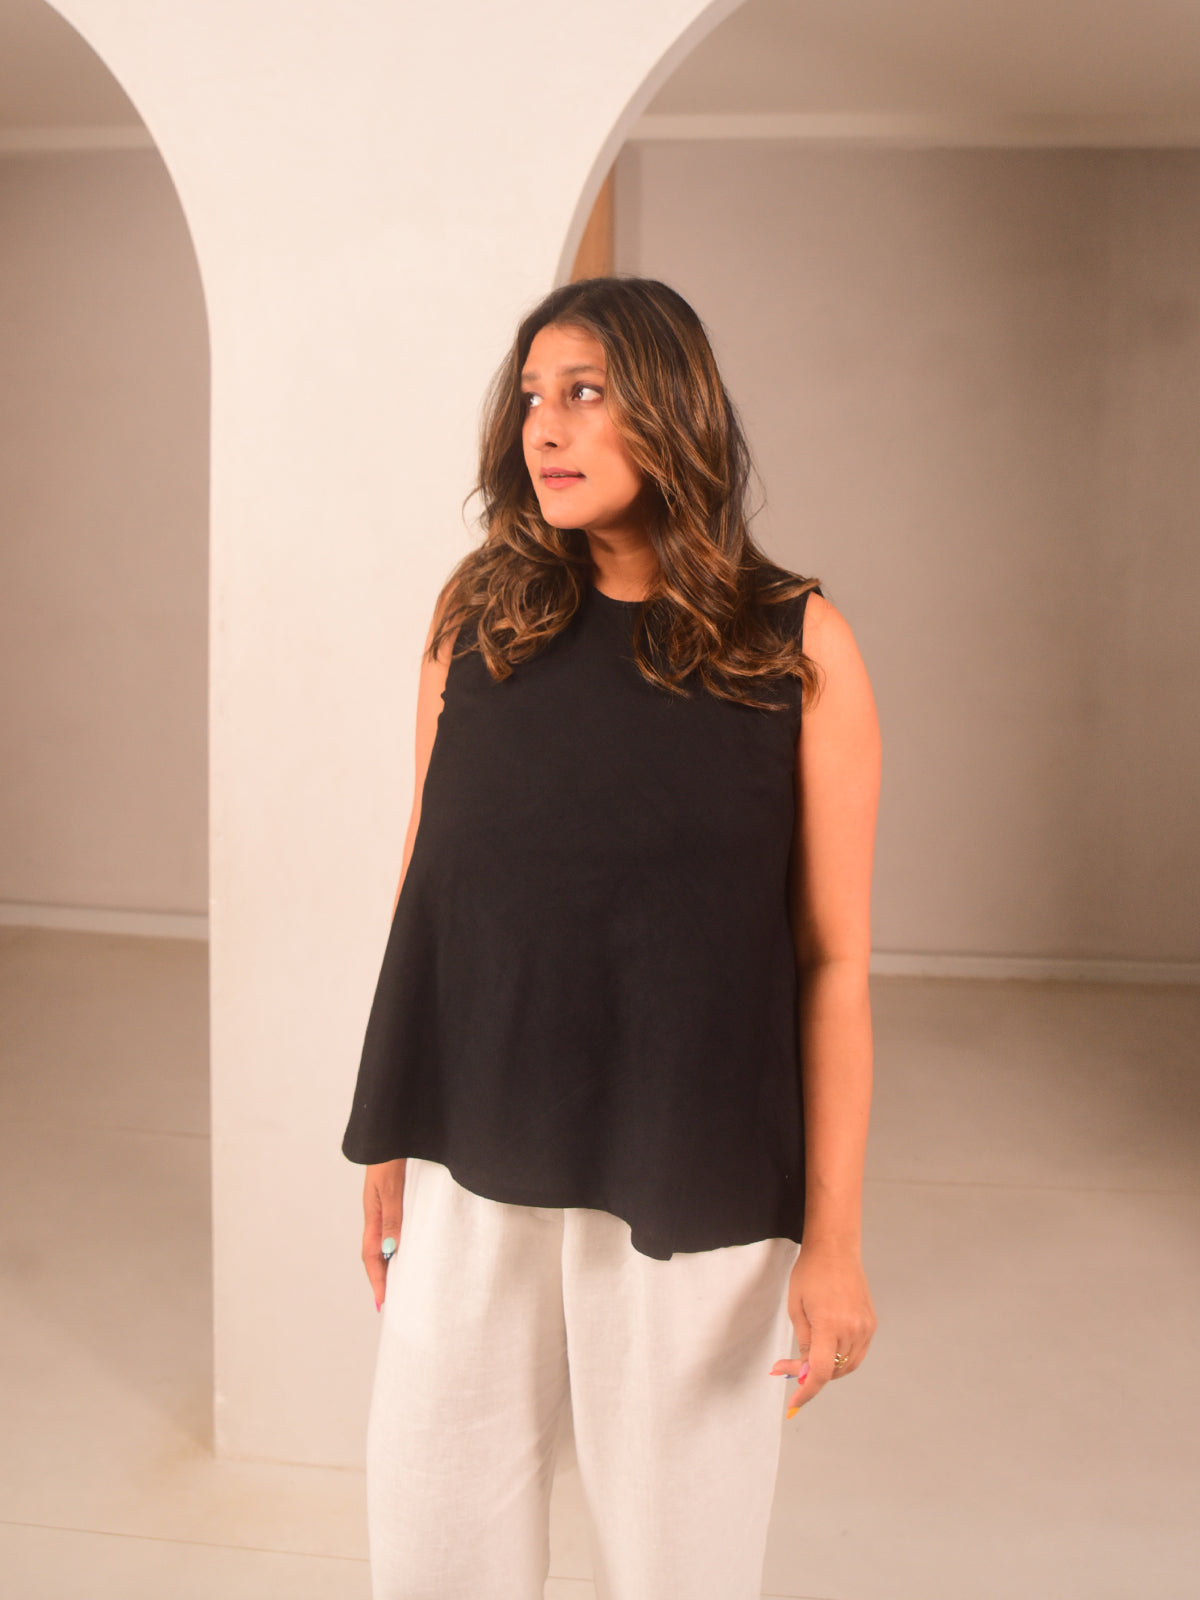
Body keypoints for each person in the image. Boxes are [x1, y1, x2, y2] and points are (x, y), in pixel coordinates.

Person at [342, 275, 880, 1600]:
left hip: (692, 1169)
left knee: (681, 1562)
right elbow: (427, 882)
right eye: (533, 396)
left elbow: (833, 961)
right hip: (475, 1152)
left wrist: (835, 1241)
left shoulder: (797, 645)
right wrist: (389, 1127)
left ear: (671, 409)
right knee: (434, 1537)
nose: (546, 426)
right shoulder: (480, 617)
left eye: (584, 392)